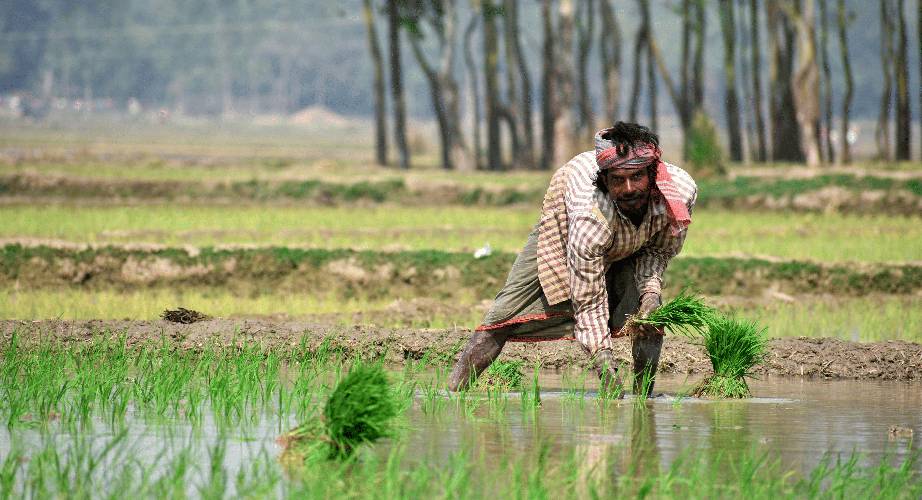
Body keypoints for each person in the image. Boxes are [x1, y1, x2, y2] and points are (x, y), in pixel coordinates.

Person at [447, 122, 697, 397]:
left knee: (650, 316)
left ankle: (644, 399)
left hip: (631, 241)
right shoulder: (590, 215)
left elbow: (658, 250)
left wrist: (650, 293)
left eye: (637, 177)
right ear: (604, 181)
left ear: (652, 173)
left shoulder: (679, 194)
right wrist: (604, 363)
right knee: (503, 316)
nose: (628, 189)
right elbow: (588, 300)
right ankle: (452, 395)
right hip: (566, 230)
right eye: (617, 180)